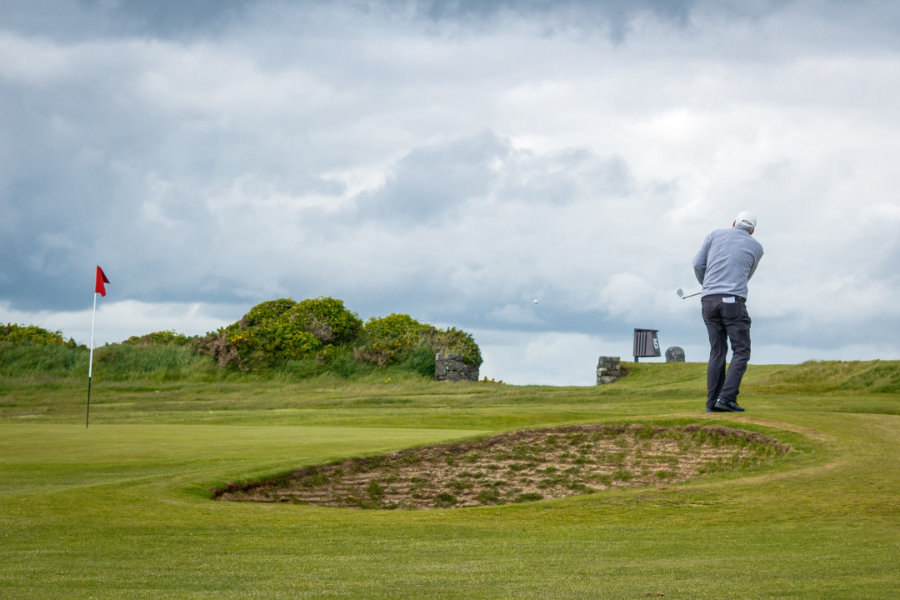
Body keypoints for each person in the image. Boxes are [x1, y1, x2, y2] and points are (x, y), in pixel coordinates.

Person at [692, 211, 764, 413]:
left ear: (734, 223)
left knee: (717, 351)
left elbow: (698, 264)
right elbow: (746, 275)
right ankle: (726, 398)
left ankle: (712, 403)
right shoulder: (757, 247)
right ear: (752, 231)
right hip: (733, 301)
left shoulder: (714, 235)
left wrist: (707, 284)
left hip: (708, 300)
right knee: (741, 350)